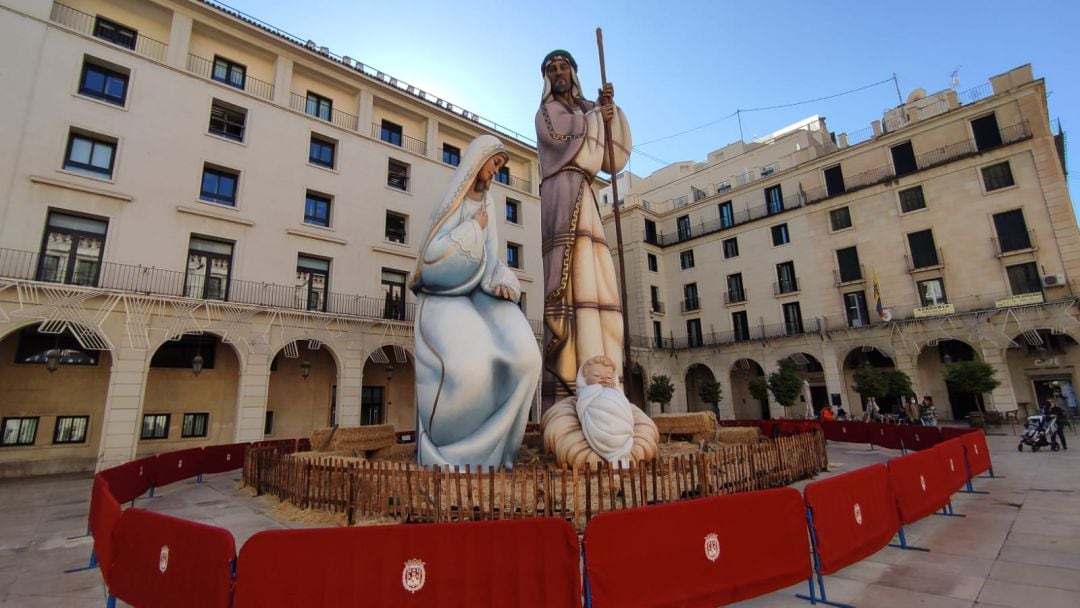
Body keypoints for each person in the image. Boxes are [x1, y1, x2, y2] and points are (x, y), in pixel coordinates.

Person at [411, 135, 541, 469]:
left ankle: (500, 453)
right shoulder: (452, 200)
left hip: (479, 289)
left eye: (500, 166)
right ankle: (453, 453)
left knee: (527, 359)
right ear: (478, 159)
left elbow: (493, 254)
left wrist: (500, 281)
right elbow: (431, 255)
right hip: (442, 294)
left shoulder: (489, 203)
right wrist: (472, 228)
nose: (496, 172)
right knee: (472, 369)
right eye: (494, 163)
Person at [535, 49, 631, 407]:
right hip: (561, 194)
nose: (558, 72)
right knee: (569, 280)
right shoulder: (547, 112)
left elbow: (610, 158)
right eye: (551, 69)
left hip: (587, 194)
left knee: (596, 278)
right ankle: (570, 385)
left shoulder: (586, 107)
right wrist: (596, 115)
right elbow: (563, 139)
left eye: (563, 67)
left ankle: (604, 378)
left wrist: (610, 113)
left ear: (574, 72)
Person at [575, 355, 636, 463]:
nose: (603, 379)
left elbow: (626, 409)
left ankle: (622, 446)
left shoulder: (617, 392)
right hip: (600, 429)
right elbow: (581, 407)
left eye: (609, 377)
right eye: (596, 375)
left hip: (623, 430)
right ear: (584, 378)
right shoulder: (588, 392)